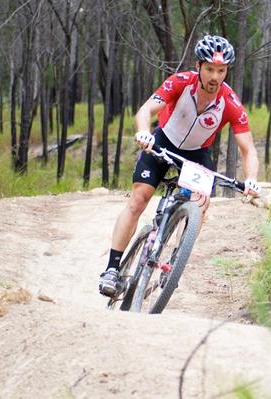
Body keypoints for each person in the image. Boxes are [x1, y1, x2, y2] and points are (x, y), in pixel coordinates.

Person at [98, 35, 260, 297]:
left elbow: (248, 149)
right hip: (163, 142)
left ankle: (175, 260)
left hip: (197, 153)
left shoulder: (230, 102)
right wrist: (143, 133)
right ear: (198, 66)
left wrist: (251, 178)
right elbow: (145, 110)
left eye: (221, 71)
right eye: (209, 69)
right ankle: (112, 269)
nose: (214, 77)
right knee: (139, 200)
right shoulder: (180, 82)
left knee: (200, 204)